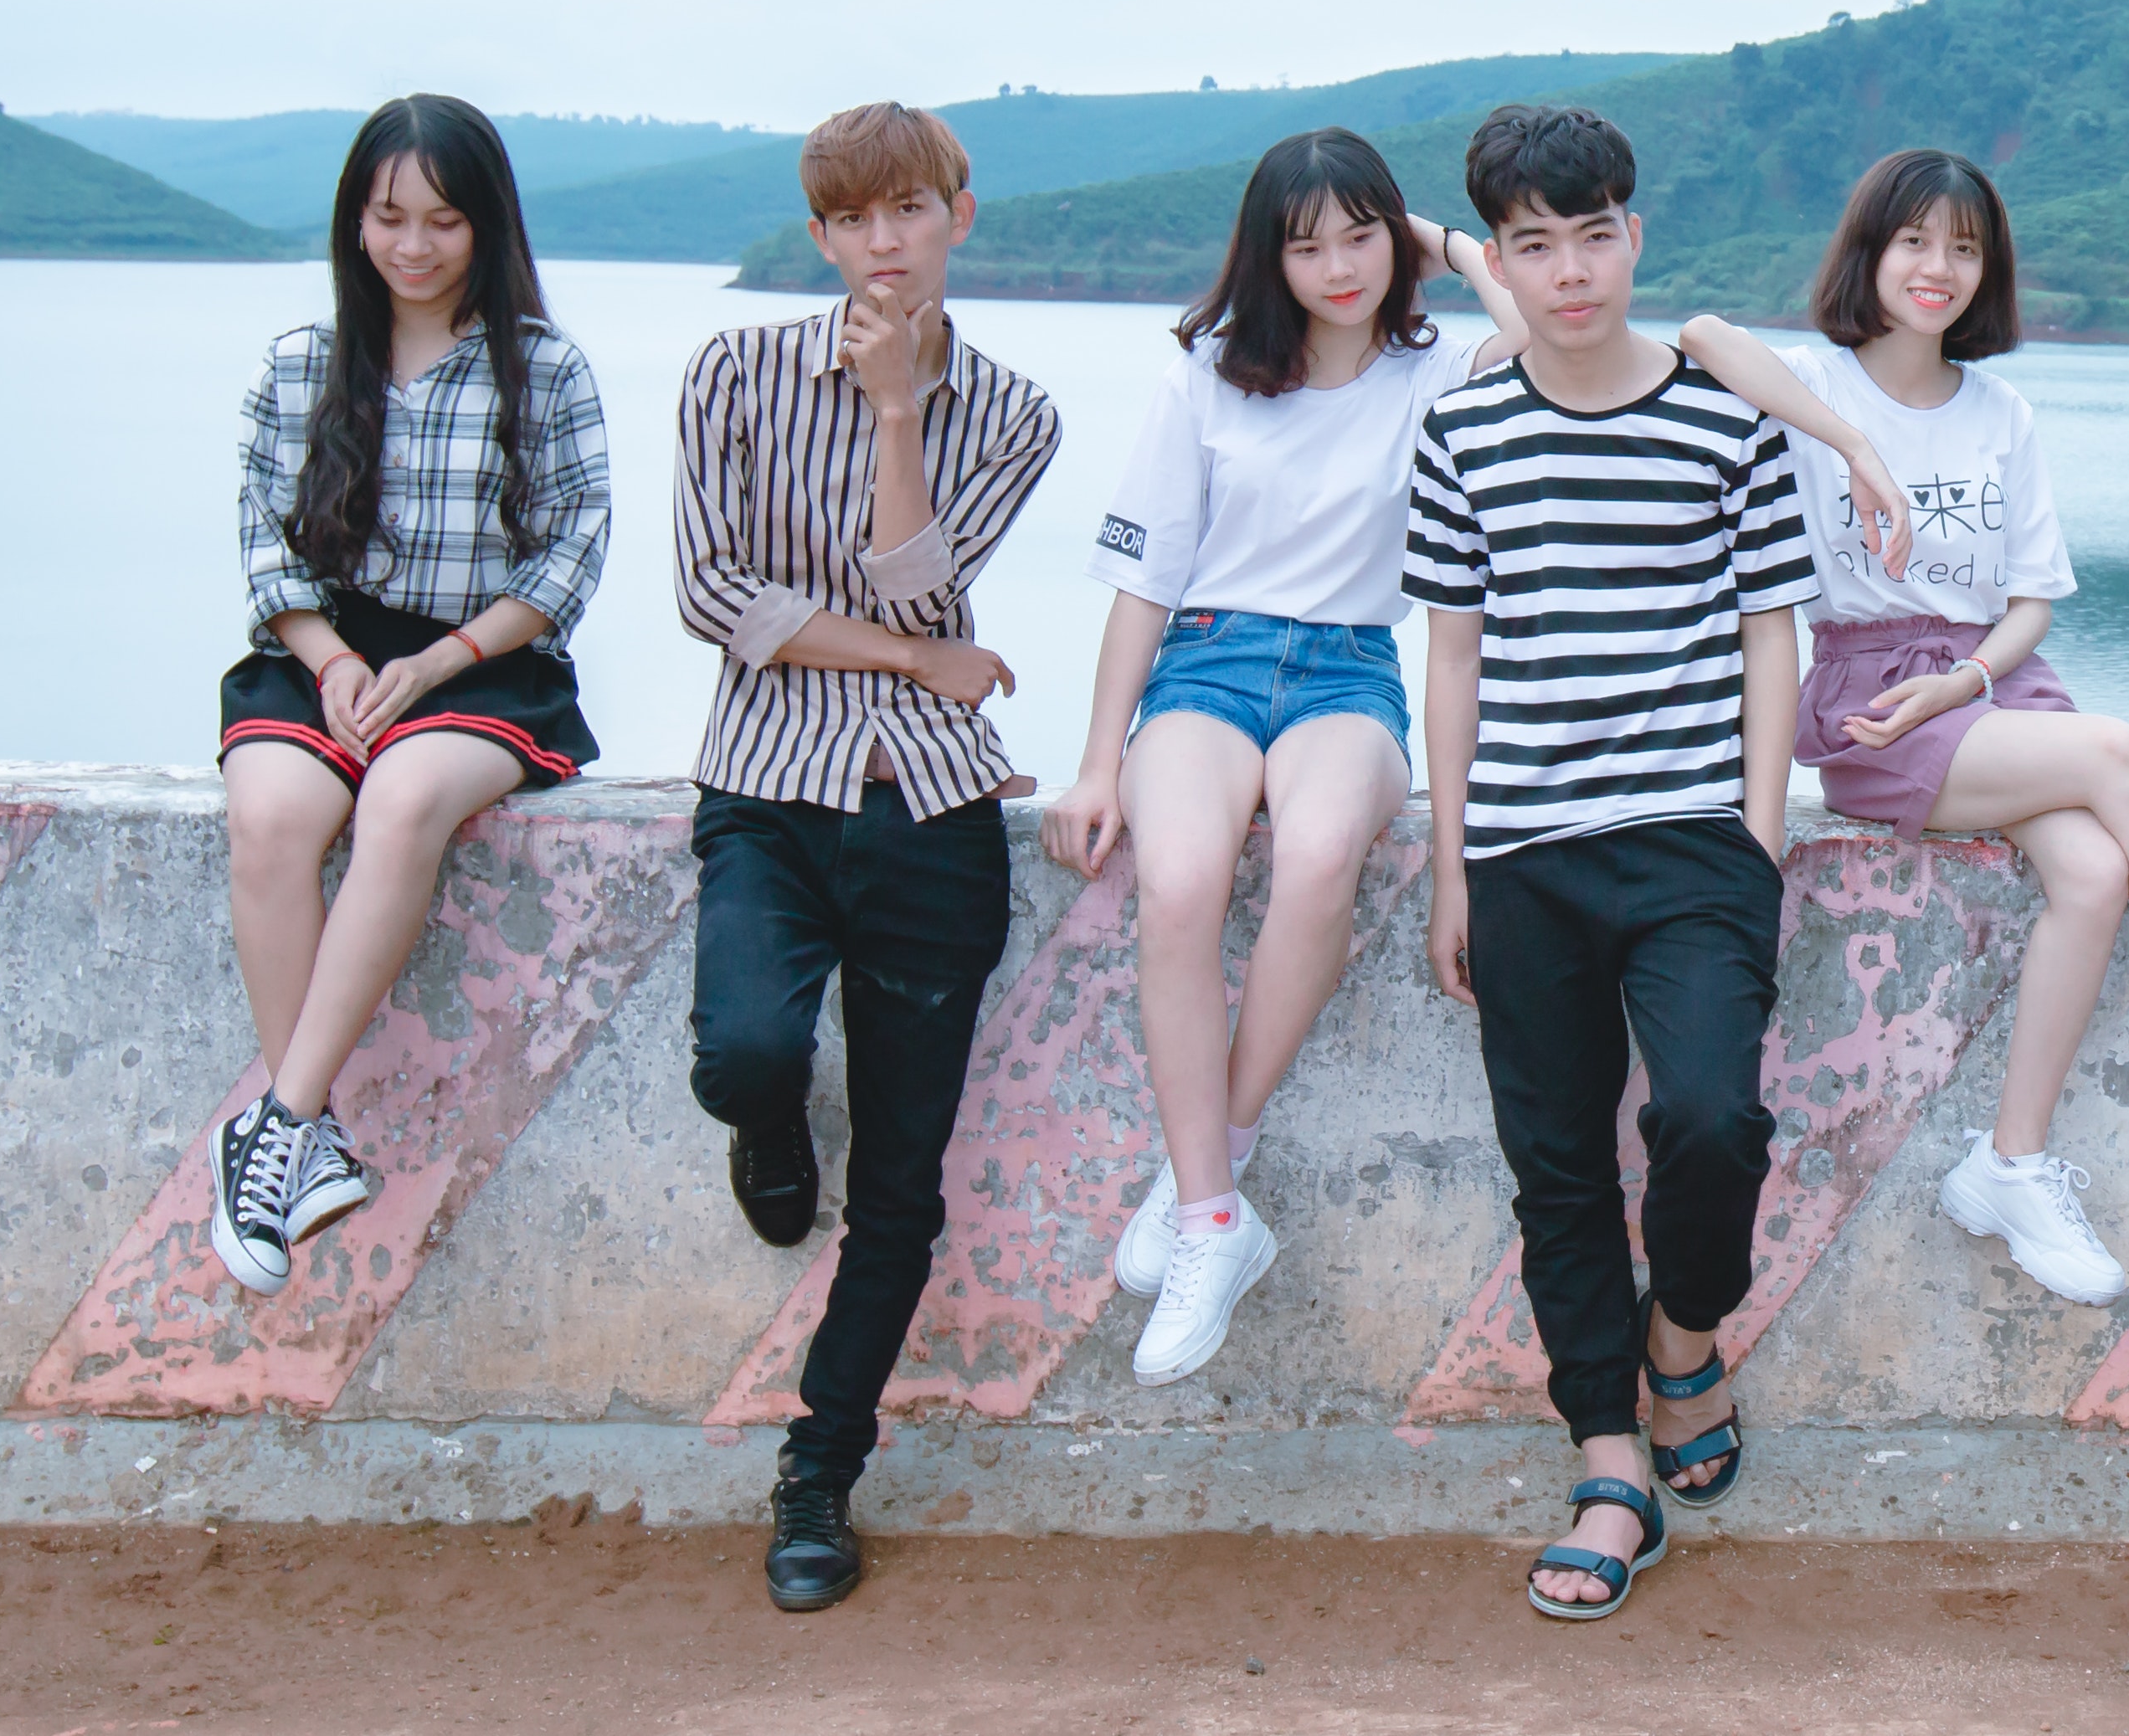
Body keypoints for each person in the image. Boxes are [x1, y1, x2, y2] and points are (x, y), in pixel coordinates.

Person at [1041, 128, 1905, 1388]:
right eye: (1306, 244)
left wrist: (1446, 238)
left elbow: (1563, 302)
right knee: (1176, 884)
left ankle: (1204, 1174)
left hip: (1348, 670)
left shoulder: (1442, 369)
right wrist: (1093, 759)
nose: (1338, 267)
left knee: (1324, 854)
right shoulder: (1209, 378)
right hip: (1207, 661)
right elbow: (1141, 583)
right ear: (1263, 258)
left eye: (1360, 235)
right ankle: (1210, 1207)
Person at [1676, 147, 2129, 1307]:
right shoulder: (1816, 388)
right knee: (2120, 752)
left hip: (1988, 688)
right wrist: (1852, 448)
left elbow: (2031, 599)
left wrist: (1971, 679)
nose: (1938, 268)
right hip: (1876, 698)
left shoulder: (2000, 410)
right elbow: (1703, 332)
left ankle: (2009, 1164)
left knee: (2096, 874)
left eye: (1963, 247)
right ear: (1869, 249)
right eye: (1914, 241)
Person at [1403, 105, 1821, 1620]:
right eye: (1533, 244)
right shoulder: (1462, 428)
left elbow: (1771, 633)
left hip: (1692, 840)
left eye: (1594, 236)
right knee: (1561, 1166)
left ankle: (1683, 1336)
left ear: (1633, 234)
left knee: (1710, 1119)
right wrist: (1453, 863)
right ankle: (1609, 1466)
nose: (1570, 270)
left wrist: (1756, 837)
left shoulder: (1726, 422)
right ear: (1500, 259)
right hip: (1521, 847)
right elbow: (1453, 655)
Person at [672, 102, 1064, 1615]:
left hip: (935, 816)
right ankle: (766, 1123)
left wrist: (900, 412)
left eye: (910, 211)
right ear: (822, 232)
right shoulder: (735, 369)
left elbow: (921, 589)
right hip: (768, 787)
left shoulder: (1011, 409)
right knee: (747, 1047)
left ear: (959, 211)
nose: (884, 245)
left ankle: (817, 1472)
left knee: (900, 1185)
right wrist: (919, 666)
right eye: (853, 221)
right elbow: (715, 595)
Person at [213, 96, 609, 1295]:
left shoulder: (543, 369)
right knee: (276, 815)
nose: (416, 246)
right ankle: (312, 1141)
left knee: (400, 800)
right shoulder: (298, 364)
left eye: (444, 220)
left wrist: (434, 666)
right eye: (390, 218)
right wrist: (334, 662)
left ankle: (274, 1125)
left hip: (485, 661)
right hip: (324, 648)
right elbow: (264, 545)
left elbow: (570, 557)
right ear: (356, 222)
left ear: (487, 228)